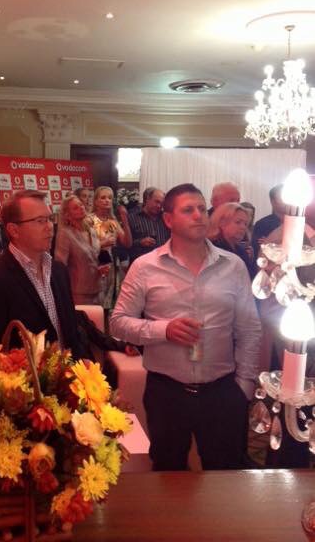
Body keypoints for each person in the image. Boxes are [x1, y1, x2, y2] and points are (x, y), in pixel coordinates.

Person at [110, 183, 261, 471]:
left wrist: (245, 384)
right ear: (168, 219)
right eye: (188, 210)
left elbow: (249, 328)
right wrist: (163, 330)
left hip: (222, 389)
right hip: (167, 392)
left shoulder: (233, 266)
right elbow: (118, 323)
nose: (198, 215)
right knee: (168, 474)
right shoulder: (145, 266)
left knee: (225, 474)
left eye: (202, 209)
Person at [0, 190, 85, 357]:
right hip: (24, 373)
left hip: (70, 371)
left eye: (50, 219)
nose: (50, 226)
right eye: (40, 221)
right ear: (14, 230)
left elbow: (71, 334)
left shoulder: (59, 272)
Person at [55, 195, 105, 304]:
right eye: (75, 208)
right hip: (78, 293)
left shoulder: (91, 230)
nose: (81, 208)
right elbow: (60, 266)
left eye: (81, 205)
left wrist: (104, 265)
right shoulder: (65, 234)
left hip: (98, 288)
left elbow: (97, 254)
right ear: (67, 215)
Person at [89, 186, 132, 309]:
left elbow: (127, 243)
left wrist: (125, 221)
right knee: (97, 300)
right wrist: (103, 243)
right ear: (96, 201)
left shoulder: (113, 221)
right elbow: (83, 246)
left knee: (111, 301)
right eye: (103, 198)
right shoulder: (89, 220)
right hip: (94, 264)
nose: (107, 200)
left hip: (111, 264)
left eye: (109, 198)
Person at [207, 202, 257, 279]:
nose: (243, 227)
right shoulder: (212, 249)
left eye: (245, 224)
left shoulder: (241, 250)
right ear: (222, 223)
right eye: (238, 222)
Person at [128, 187, 170, 263]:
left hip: (164, 263)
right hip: (141, 264)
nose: (159, 206)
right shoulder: (132, 218)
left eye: (162, 204)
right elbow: (124, 245)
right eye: (157, 202)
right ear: (147, 199)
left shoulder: (166, 218)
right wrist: (140, 242)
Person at [251, 184, 284, 258]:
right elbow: (257, 251)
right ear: (273, 201)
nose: (287, 201)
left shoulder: (298, 224)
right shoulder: (262, 224)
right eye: (282, 197)